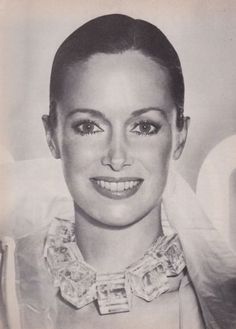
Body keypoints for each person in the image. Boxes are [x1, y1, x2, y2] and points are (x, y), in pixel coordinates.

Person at [1, 14, 236, 329]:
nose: (116, 157)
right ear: (51, 135)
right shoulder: (10, 287)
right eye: (88, 126)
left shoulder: (222, 307)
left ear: (180, 135)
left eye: (143, 126)